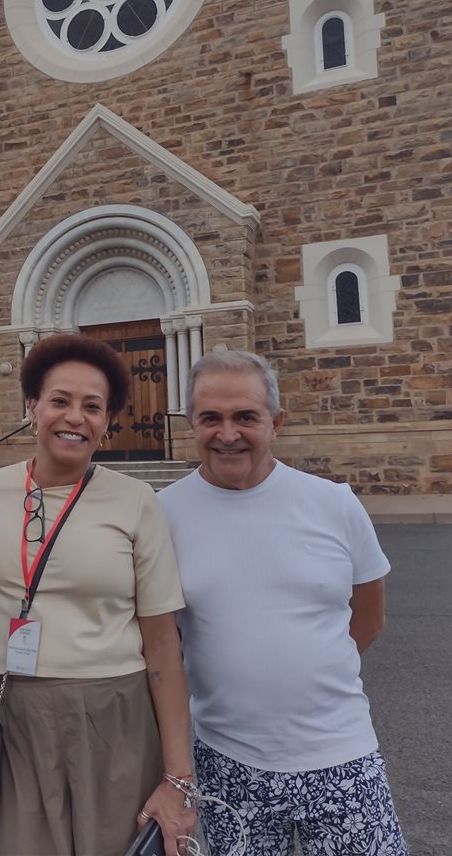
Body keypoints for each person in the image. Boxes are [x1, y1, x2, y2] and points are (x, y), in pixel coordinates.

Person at [156, 349, 409, 855]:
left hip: (341, 754)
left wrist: (306, 675)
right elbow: (165, 645)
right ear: (192, 424)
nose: (228, 434)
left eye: (245, 417)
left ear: (276, 421)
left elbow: (370, 617)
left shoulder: (334, 504)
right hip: (228, 762)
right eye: (212, 418)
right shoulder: (164, 515)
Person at [0, 334, 196, 856]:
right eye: (60, 400)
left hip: (116, 712)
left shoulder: (136, 501)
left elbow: (162, 645)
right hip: (18, 709)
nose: (75, 417)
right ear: (32, 407)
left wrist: (179, 777)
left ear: (107, 418)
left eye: (93, 406)